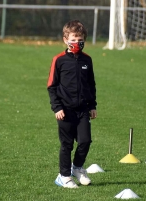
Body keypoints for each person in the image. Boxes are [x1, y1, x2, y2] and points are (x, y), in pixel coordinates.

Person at [47, 20, 97, 188]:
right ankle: (64, 176)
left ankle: (77, 168)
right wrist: (57, 107)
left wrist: (92, 105)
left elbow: (91, 84)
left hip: (83, 109)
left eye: (80, 38)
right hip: (65, 111)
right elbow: (51, 86)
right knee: (67, 145)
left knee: (85, 141)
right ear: (65, 39)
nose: (77, 42)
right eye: (74, 38)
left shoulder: (87, 60)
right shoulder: (58, 60)